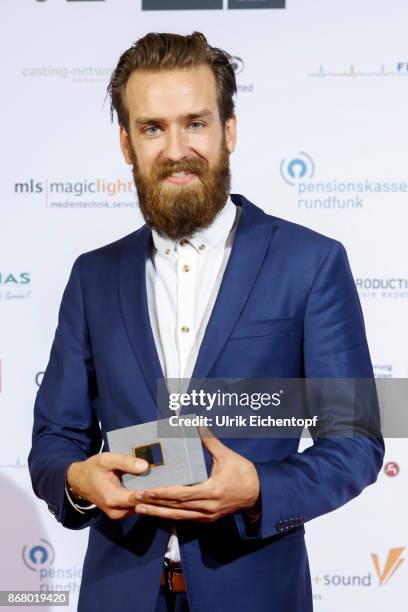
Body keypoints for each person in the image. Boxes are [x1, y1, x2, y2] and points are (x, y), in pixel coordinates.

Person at [28, 31, 384, 612]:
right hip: (117, 595)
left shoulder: (311, 263)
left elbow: (355, 442)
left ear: (229, 130)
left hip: (257, 593)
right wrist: (77, 481)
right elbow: (54, 441)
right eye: (152, 128)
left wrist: (260, 490)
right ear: (126, 142)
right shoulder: (92, 277)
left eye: (195, 123)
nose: (176, 148)